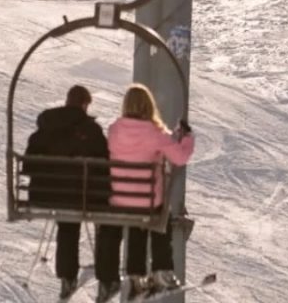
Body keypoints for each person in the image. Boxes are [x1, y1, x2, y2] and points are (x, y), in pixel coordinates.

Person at [93, 84, 194, 303]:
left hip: (120, 199)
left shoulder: (114, 130)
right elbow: (179, 158)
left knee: (137, 218)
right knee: (158, 214)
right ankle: (162, 270)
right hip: (147, 202)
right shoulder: (155, 133)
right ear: (149, 106)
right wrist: (186, 138)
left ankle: (135, 276)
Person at [23, 84, 109, 300]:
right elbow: (104, 164)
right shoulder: (91, 131)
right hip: (81, 197)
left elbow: (28, 166)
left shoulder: (44, 129)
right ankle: (103, 270)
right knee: (89, 214)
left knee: (67, 220)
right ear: (84, 104)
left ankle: (67, 277)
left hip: (45, 195)